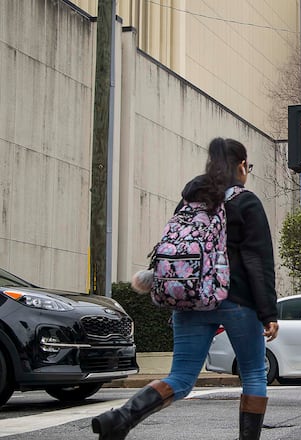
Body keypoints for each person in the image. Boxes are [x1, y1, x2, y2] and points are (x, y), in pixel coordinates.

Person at [91, 138, 279, 440]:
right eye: (248, 166)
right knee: (254, 373)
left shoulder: (189, 201)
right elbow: (257, 259)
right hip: (237, 301)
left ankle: (121, 419)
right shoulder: (246, 201)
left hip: (190, 299)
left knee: (180, 377)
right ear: (242, 166)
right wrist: (268, 310)